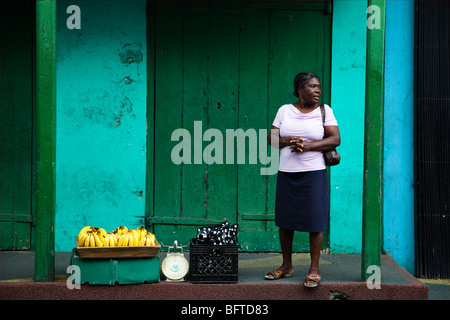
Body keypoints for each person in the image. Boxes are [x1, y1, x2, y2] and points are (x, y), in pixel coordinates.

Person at [265, 72, 340, 288]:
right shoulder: (284, 110)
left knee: (315, 221)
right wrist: (287, 140)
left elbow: (335, 139)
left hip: (314, 173)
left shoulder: (325, 111)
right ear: (300, 89)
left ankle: (314, 269)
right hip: (287, 173)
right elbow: (271, 138)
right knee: (285, 221)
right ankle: (286, 266)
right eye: (313, 87)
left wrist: (307, 146)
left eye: (319, 87)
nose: (318, 90)